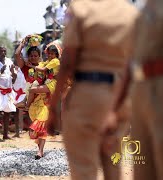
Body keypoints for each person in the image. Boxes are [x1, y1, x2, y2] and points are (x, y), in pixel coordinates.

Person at [47, 1, 138, 179]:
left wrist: (53, 107)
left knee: (83, 170)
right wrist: (115, 107)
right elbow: (132, 65)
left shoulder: (80, 8)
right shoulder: (130, 13)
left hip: (86, 95)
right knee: (113, 167)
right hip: (119, 95)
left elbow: (67, 63)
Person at [108, 1, 163, 179]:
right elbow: (130, 61)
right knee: (142, 166)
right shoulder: (141, 10)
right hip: (140, 87)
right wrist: (114, 107)